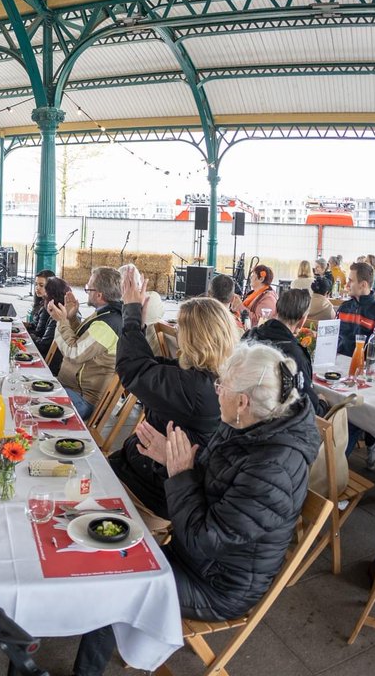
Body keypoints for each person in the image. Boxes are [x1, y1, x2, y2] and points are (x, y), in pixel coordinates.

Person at [75, 343, 319, 675]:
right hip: (199, 559)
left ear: (243, 402)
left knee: (113, 579)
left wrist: (179, 473)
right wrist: (169, 460)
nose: (216, 391)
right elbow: (208, 479)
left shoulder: (273, 466)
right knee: (107, 547)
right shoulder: (248, 426)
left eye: (222, 387)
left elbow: (204, 538)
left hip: (218, 583)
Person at [111, 282, 235, 513]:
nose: (176, 332)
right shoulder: (209, 376)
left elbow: (134, 369)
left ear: (193, 338)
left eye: (180, 328)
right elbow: (149, 367)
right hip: (141, 470)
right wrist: (138, 322)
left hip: (148, 489)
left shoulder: (197, 388)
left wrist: (130, 313)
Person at [45, 266, 123, 420]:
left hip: (83, 399)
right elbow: (81, 342)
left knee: (30, 401)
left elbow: (74, 353)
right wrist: (71, 318)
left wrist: (61, 321)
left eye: (89, 288)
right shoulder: (105, 314)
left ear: (99, 295)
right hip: (71, 389)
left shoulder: (108, 324)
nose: (86, 291)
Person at [243, 288, 320, 410]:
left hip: (245, 409)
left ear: (277, 310)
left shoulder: (249, 336)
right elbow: (307, 404)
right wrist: (323, 404)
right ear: (302, 319)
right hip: (276, 418)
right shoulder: (295, 354)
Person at [336, 260, 375, 365]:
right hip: (337, 366)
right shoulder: (344, 308)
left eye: (351, 281)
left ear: (363, 284)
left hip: (362, 370)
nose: (347, 285)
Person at [31, 276, 70, 364]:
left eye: (46, 295)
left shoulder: (57, 318)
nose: (44, 298)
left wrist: (29, 337)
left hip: (48, 363)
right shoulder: (57, 313)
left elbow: (43, 346)